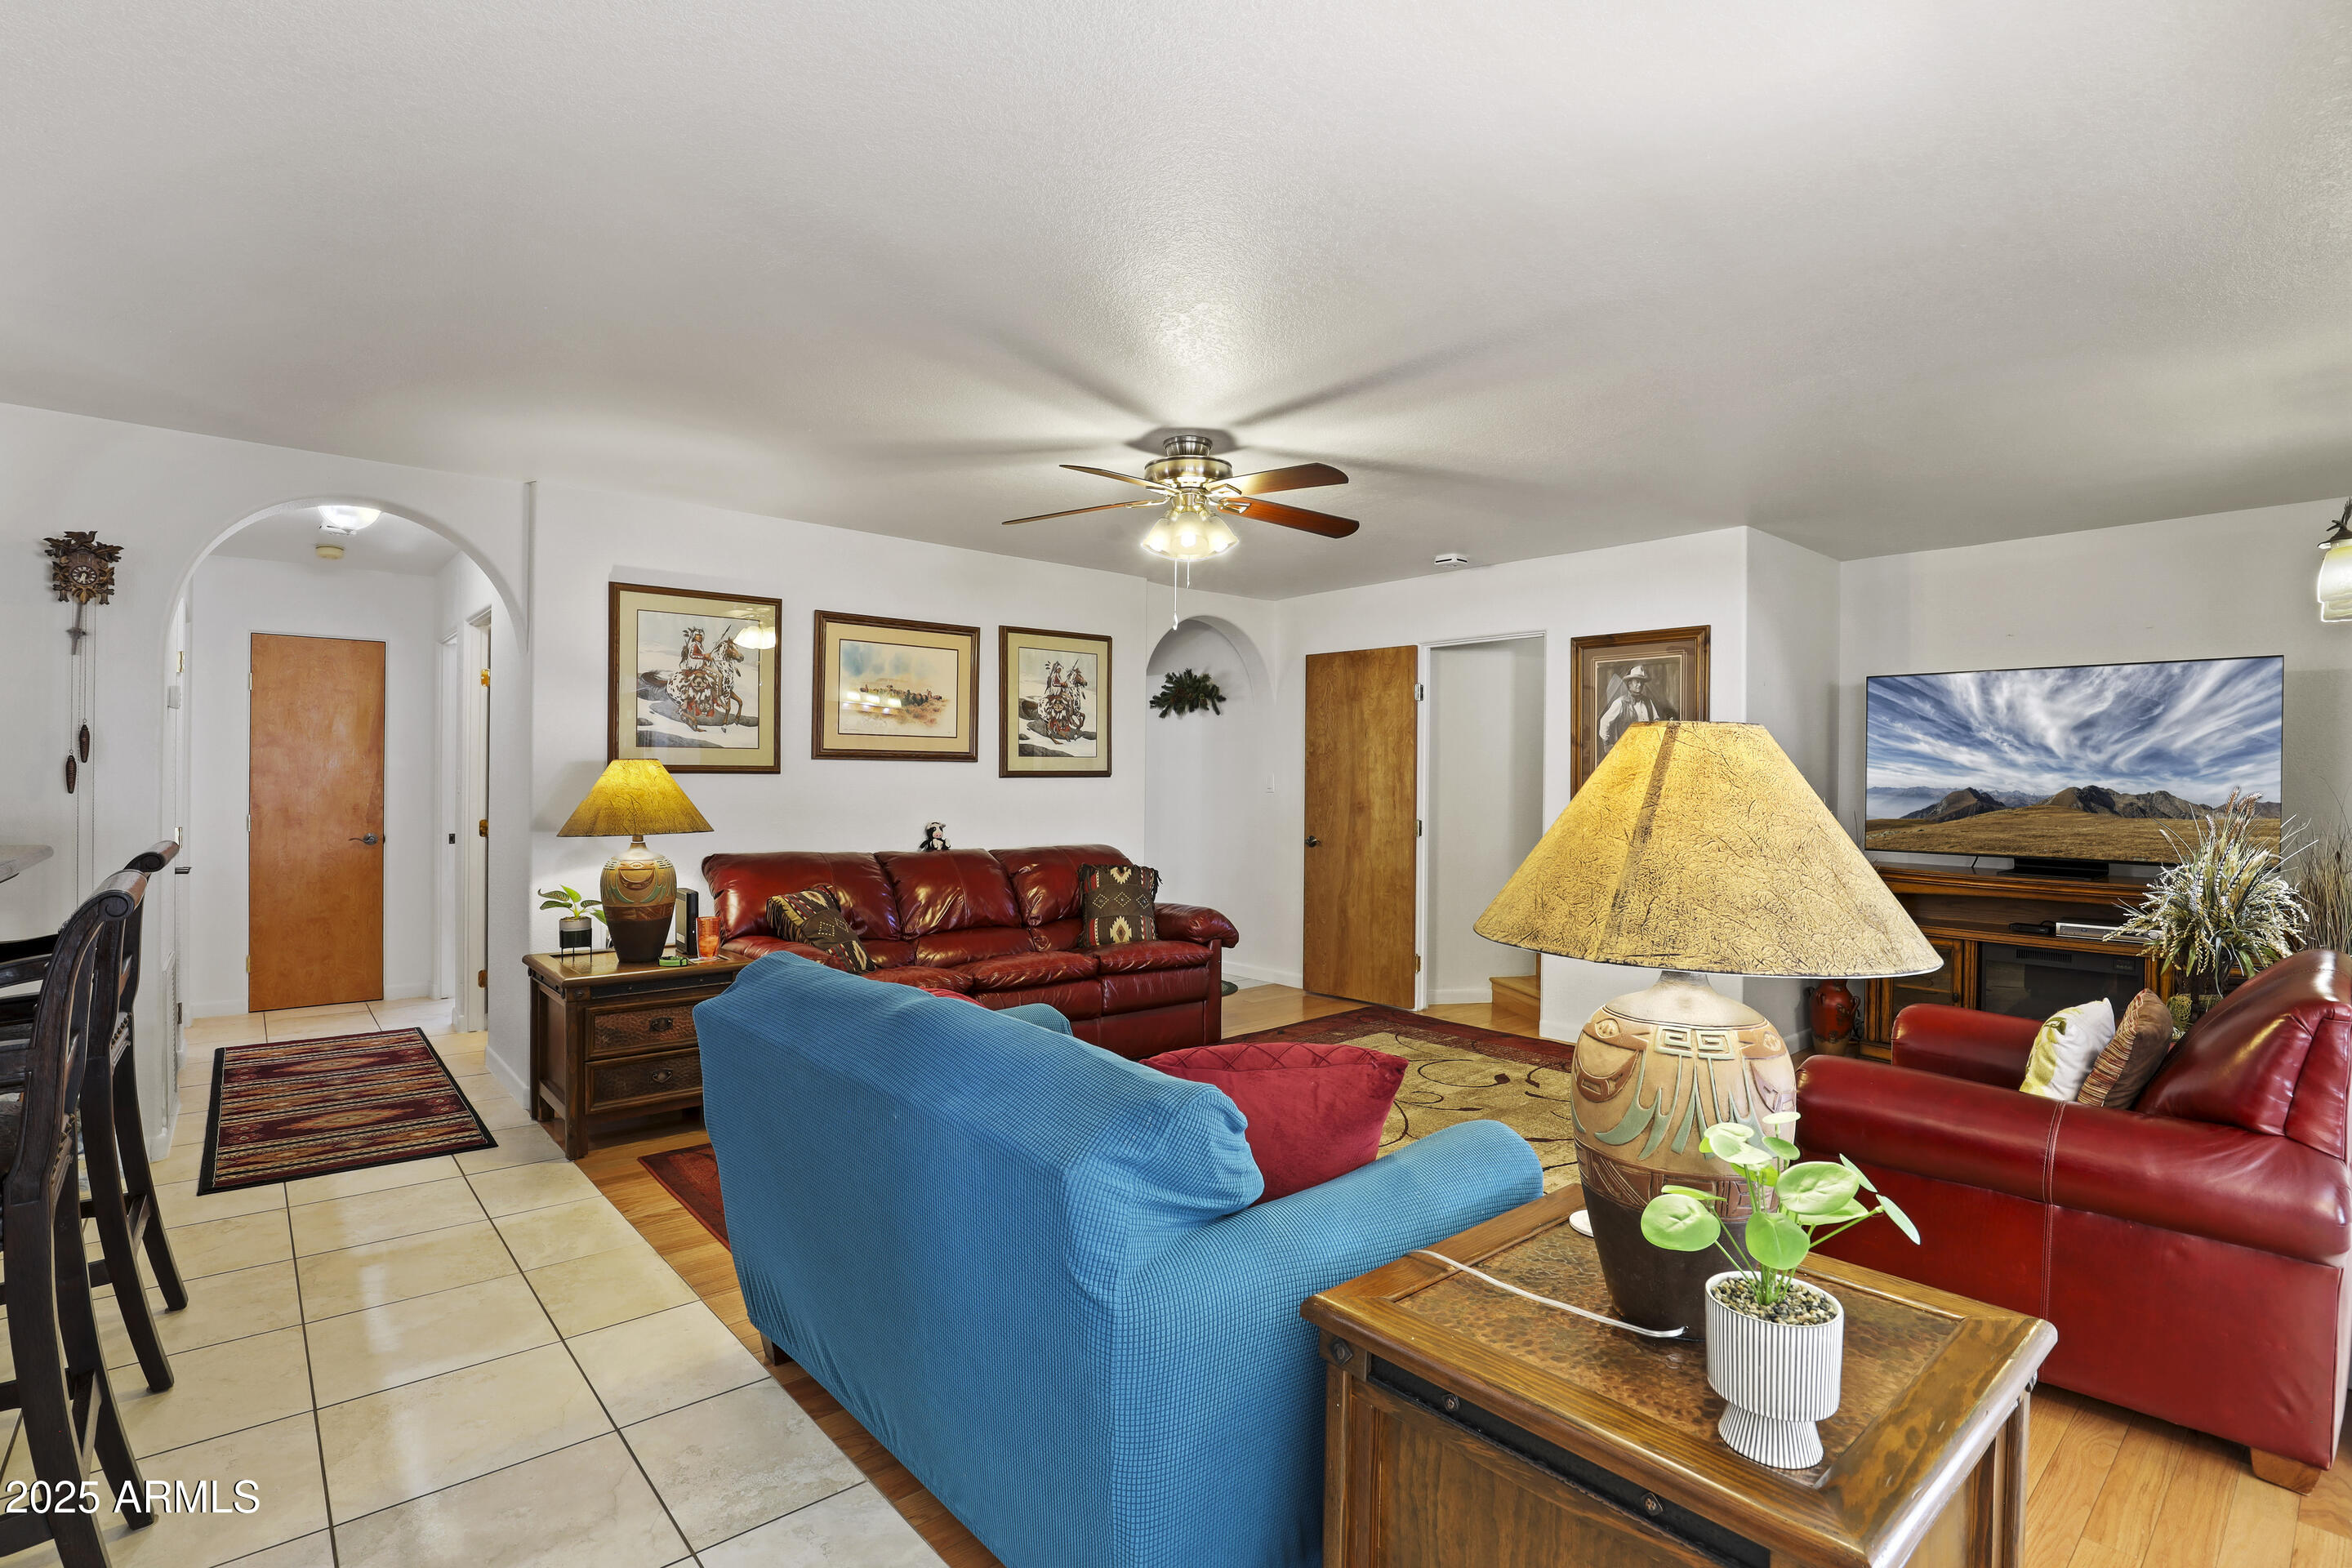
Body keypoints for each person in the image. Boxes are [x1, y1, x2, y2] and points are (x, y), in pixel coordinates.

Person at [1597, 663, 1677, 755]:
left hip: (1646, 749)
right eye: (1637, 681)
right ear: (1630, 684)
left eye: (1641, 682)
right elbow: (1604, 721)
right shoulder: (1620, 703)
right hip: (1627, 750)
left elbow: (1656, 722)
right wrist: (1606, 744)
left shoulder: (1648, 702)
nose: (1639, 685)